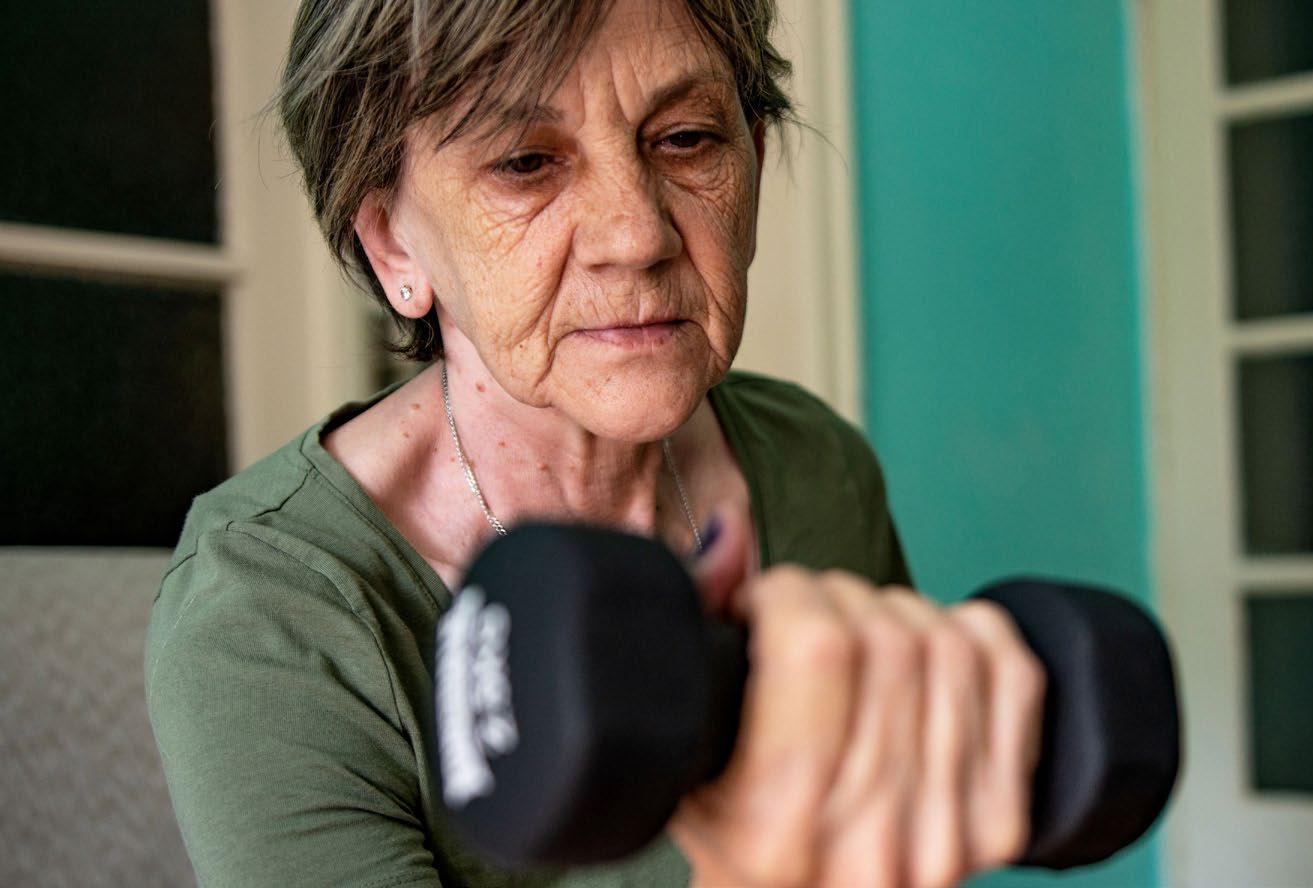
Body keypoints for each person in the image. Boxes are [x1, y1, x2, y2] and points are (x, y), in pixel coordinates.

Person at [145, 0, 1045, 885]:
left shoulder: (815, 468)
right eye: (527, 163)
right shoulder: (267, 613)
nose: (637, 234)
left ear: (756, 160)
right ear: (392, 247)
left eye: (686, 139)